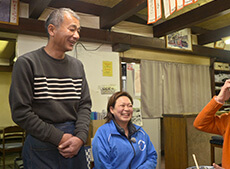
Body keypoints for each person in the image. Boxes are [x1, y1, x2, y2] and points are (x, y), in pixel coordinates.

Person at [9, 8, 92, 169]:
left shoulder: (77, 66)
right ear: (52, 30)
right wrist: (59, 137)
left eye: (78, 31)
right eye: (72, 29)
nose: (77, 36)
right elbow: (20, 112)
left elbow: (85, 104)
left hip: (75, 141)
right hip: (42, 144)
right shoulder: (27, 63)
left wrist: (81, 137)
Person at [92, 91, 157, 169]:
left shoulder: (140, 132)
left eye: (130, 106)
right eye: (122, 105)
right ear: (112, 109)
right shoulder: (103, 133)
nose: (126, 109)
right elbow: (102, 165)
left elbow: (152, 156)